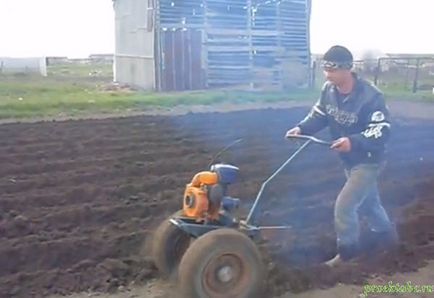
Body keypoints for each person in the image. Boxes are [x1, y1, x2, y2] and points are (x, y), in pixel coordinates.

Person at [286, 45, 398, 267]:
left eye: (333, 69)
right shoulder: (329, 90)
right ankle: (387, 237)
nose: (328, 74)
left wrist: (353, 142)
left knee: (345, 205)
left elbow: (381, 130)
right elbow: (319, 115)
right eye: (325, 69)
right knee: (368, 202)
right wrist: (301, 129)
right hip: (348, 159)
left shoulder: (371, 96)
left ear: (348, 68)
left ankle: (347, 253)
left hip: (368, 159)